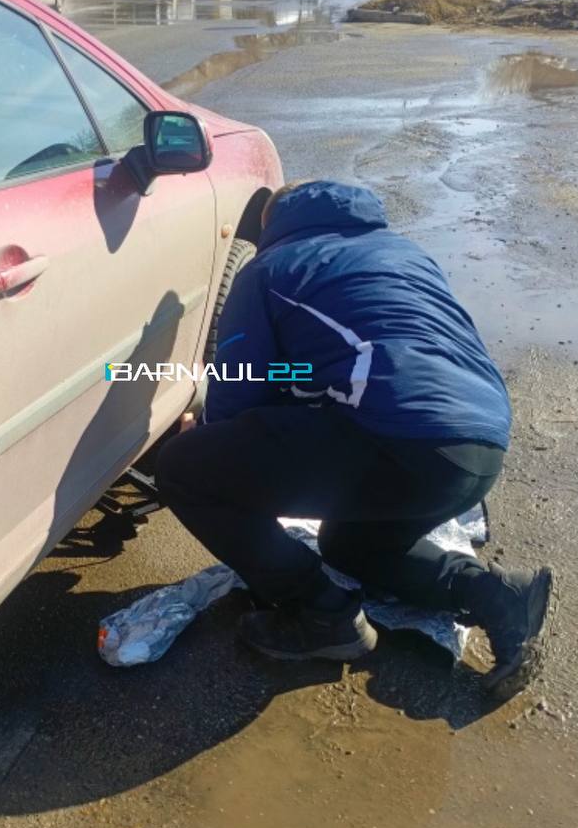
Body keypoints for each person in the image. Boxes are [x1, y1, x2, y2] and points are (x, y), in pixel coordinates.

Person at [156, 180, 553, 700]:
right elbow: (356, 357)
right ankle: (497, 596)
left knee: (184, 468)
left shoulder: (271, 269)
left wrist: (205, 432)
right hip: (478, 449)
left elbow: (240, 385)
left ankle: (321, 615)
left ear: (273, 226)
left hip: (400, 443)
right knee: (351, 546)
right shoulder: (404, 253)